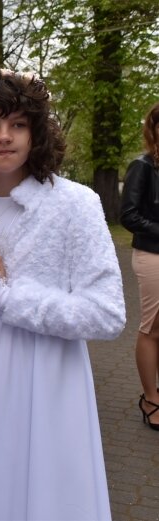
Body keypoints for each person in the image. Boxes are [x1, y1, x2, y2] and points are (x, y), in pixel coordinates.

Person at [0, 68, 125, 520]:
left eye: (18, 124)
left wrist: (9, 296)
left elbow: (107, 313)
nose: (4, 137)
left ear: (37, 130)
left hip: (46, 380)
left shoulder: (75, 204)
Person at [120, 101, 159, 431]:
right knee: (152, 327)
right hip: (153, 256)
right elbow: (128, 215)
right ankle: (150, 398)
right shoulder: (143, 165)